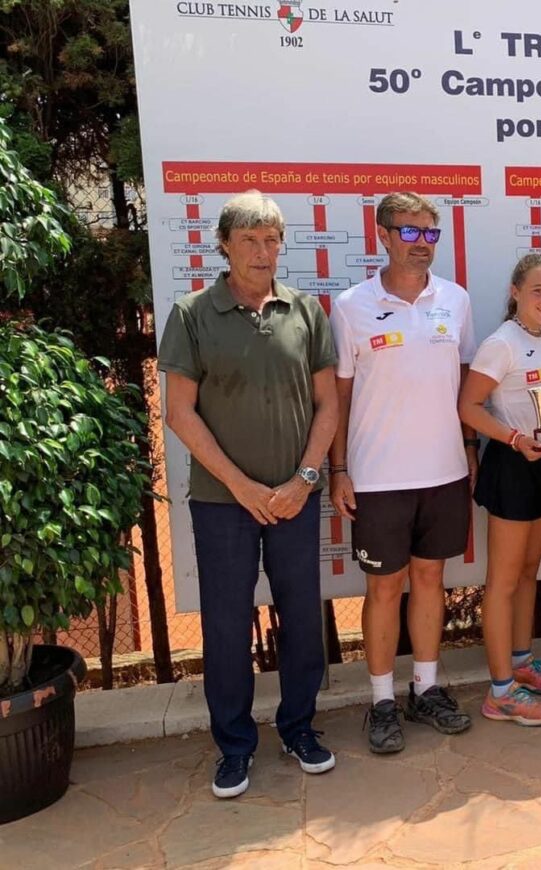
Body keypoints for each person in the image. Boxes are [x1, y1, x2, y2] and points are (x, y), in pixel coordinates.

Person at [159, 191, 338, 798]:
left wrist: (304, 480)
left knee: (303, 622)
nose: (263, 252)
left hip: (295, 499)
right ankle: (235, 746)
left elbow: (328, 404)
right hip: (222, 502)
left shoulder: (306, 311)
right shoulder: (190, 314)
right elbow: (179, 412)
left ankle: (299, 728)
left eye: (271, 240)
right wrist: (241, 486)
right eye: (250, 241)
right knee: (228, 627)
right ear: (225, 247)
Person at [329, 192, 475, 754]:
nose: (420, 244)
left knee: (431, 582)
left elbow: (461, 382)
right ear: (382, 235)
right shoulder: (351, 306)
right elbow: (340, 394)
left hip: (443, 471)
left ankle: (427, 689)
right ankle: (382, 700)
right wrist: (339, 468)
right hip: (378, 477)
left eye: (429, 233)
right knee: (384, 589)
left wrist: (469, 451)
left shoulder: (455, 301)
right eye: (408, 232)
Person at [458, 253, 541, 726]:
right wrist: (515, 439)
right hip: (511, 464)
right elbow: (467, 406)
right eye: (538, 291)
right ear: (515, 291)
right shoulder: (500, 344)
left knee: (528, 571)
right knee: (502, 582)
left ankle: (520, 665)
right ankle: (500, 691)